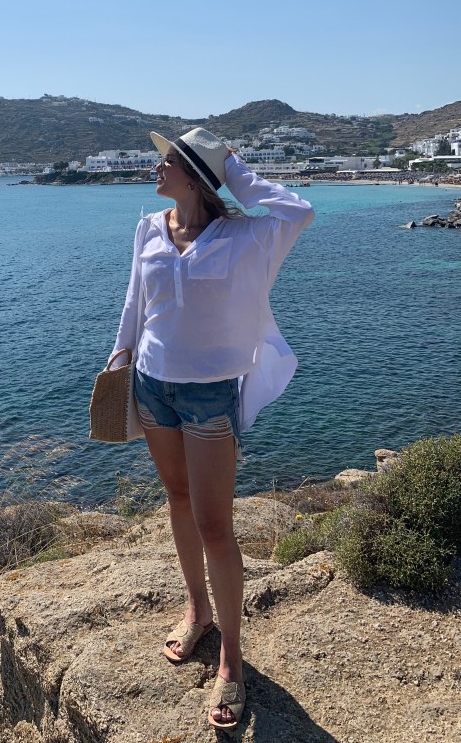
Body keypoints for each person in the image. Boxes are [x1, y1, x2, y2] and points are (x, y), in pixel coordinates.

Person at [110, 127, 314, 730]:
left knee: (215, 526)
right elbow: (135, 302)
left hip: (209, 397)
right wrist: (119, 356)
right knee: (177, 499)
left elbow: (298, 211)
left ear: (197, 176)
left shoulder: (245, 236)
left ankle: (231, 656)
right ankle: (197, 609)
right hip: (152, 385)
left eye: (169, 160)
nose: (156, 167)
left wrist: (234, 171)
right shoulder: (149, 227)